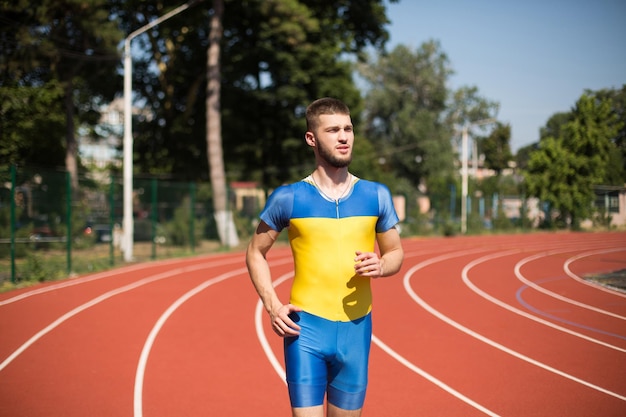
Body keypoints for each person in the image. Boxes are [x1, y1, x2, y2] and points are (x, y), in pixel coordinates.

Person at [246, 97, 404, 417]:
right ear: (312, 139)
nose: (344, 137)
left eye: (348, 128)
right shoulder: (288, 197)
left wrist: (383, 264)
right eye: (333, 130)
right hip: (306, 332)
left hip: (356, 332)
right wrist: (272, 305)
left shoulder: (376, 195)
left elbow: (396, 252)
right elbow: (255, 253)